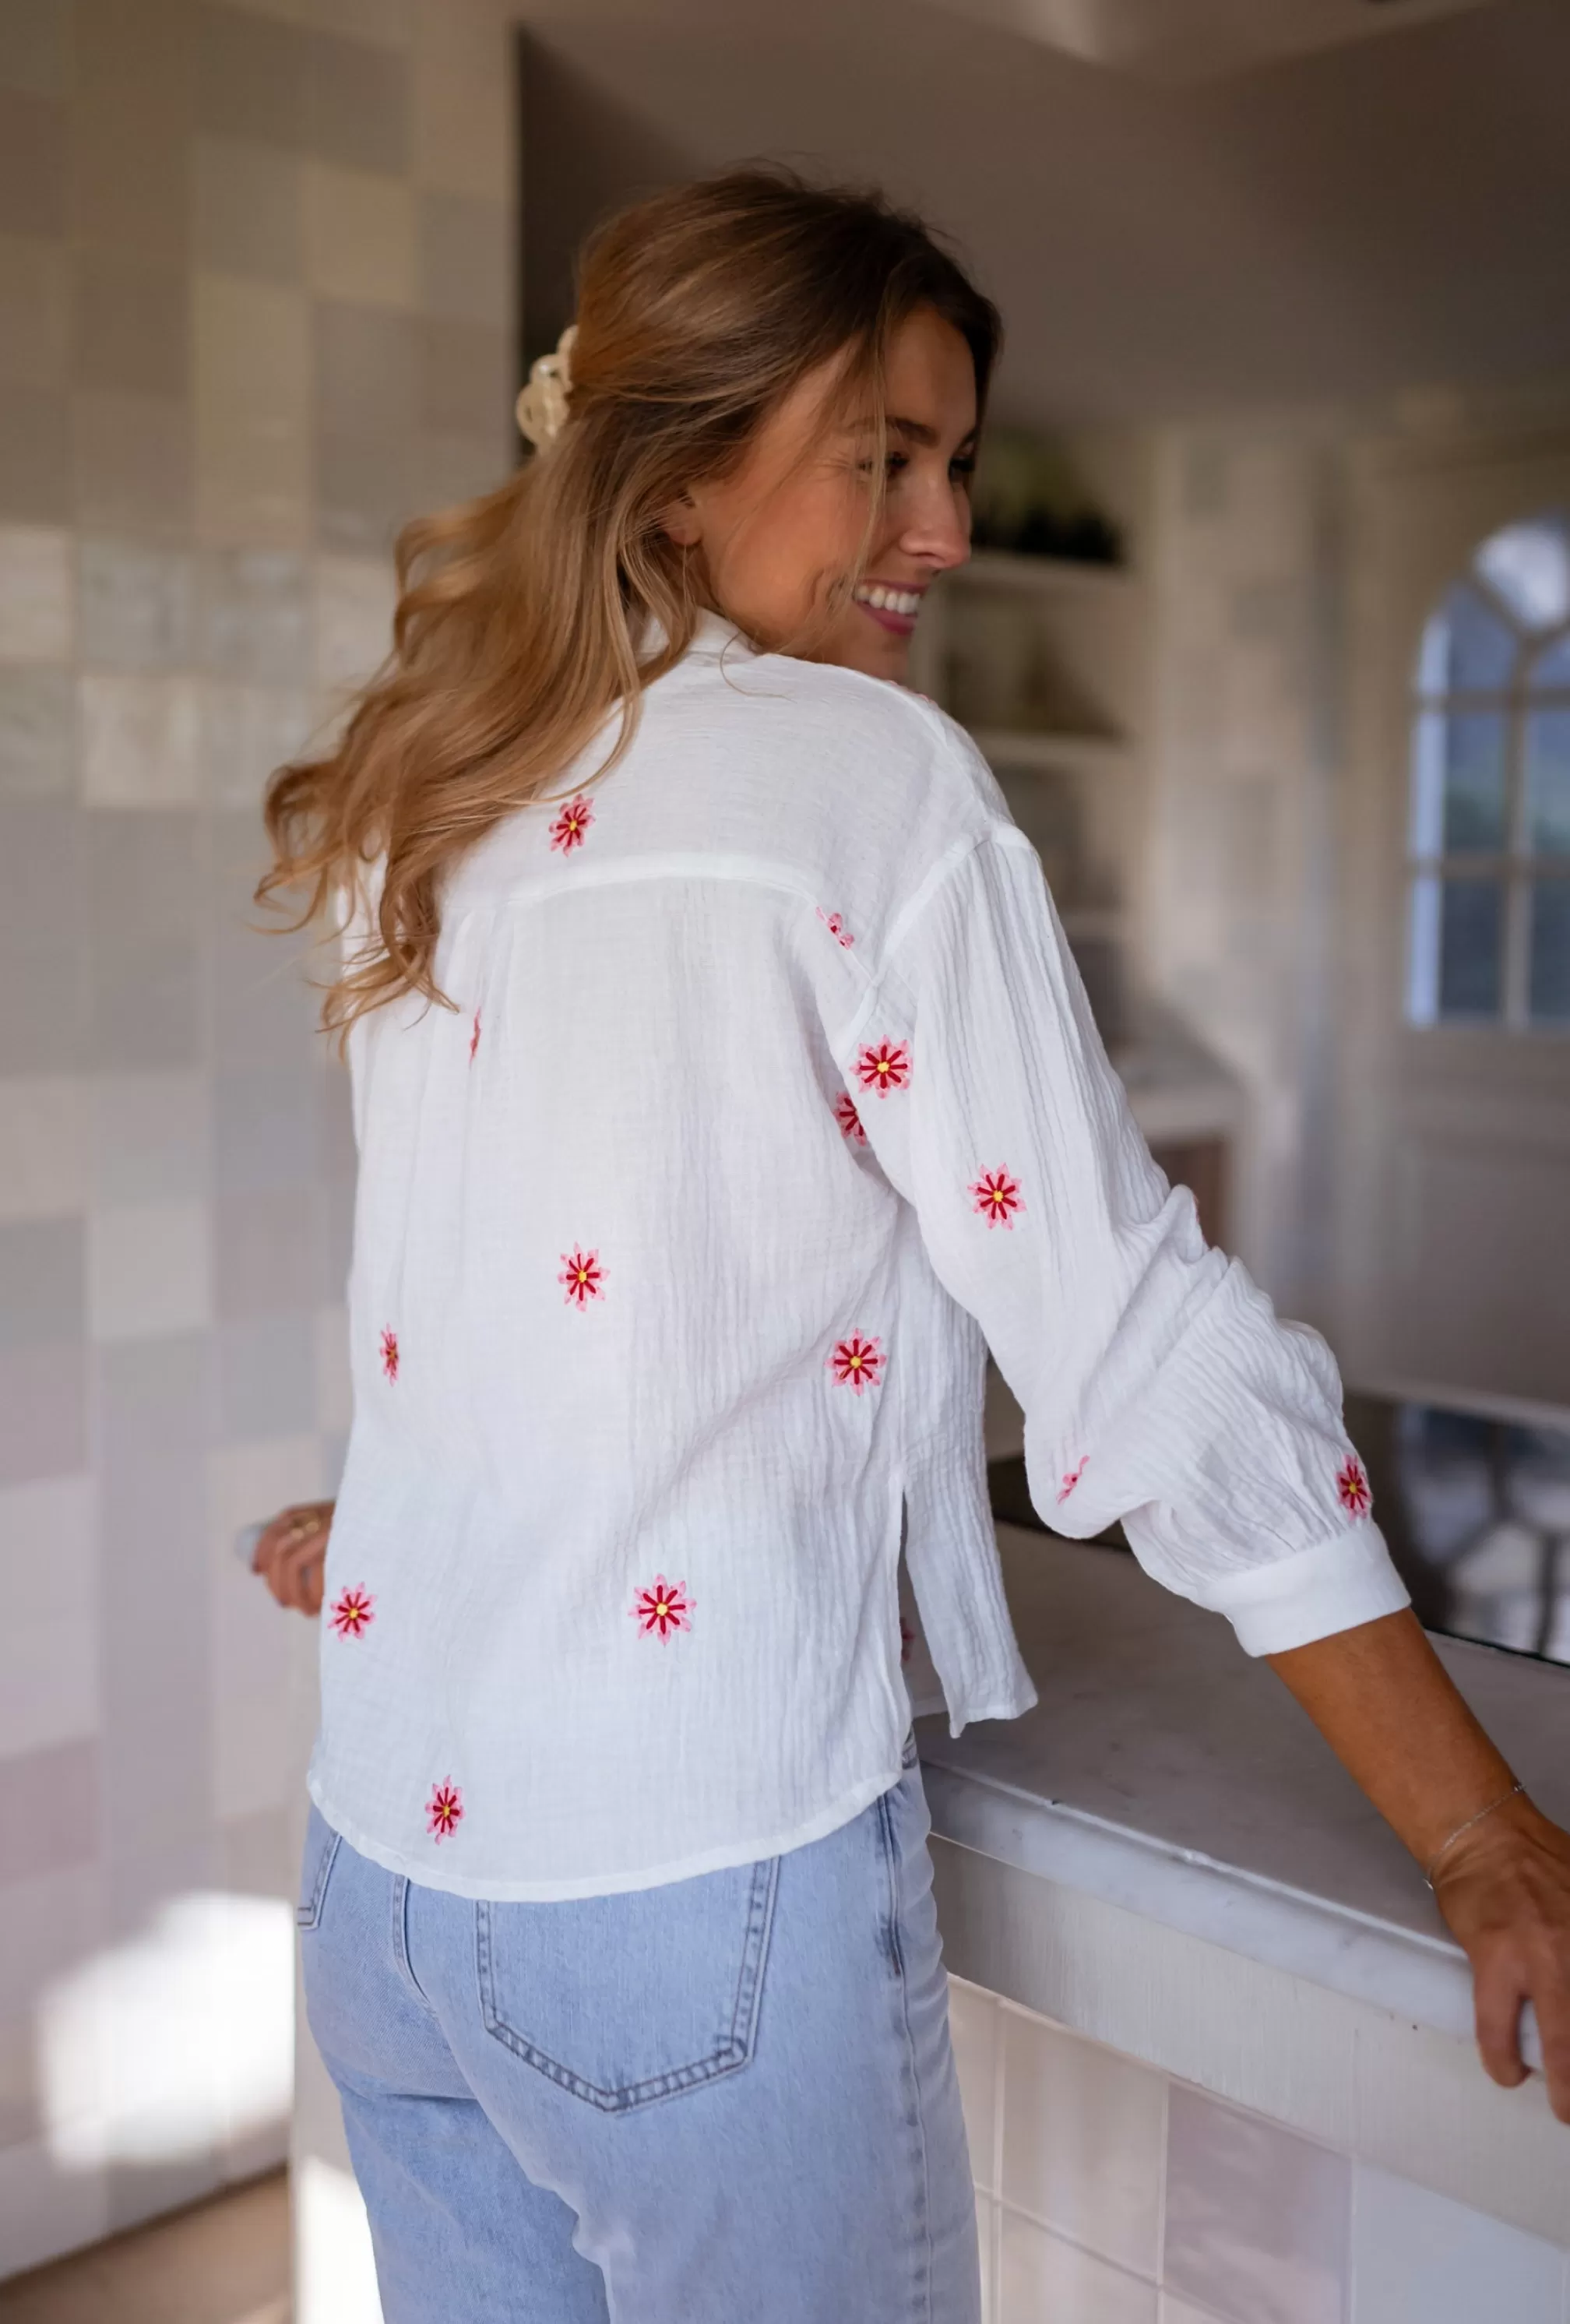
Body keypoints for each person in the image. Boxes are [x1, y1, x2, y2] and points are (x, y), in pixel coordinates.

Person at [253, 167, 1570, 2324]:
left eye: (954, 464)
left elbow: (493, 1277)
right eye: (885, 459)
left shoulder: (442, 789)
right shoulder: (869, 783)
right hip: (690, 1894)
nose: (944, 530)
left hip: (381, 1884)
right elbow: (1131, 1336)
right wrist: (1478, 1834)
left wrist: (414, 1513)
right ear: (679, 477)